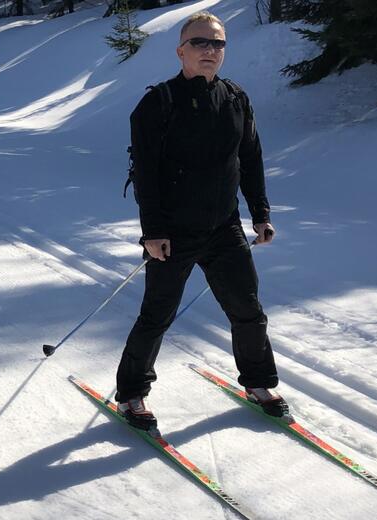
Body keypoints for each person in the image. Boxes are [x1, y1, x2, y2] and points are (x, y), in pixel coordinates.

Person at [117, 11, 284, 431]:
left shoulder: (235, 99)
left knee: (248, 310)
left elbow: (250, 159)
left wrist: (259, 213)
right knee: (157, 315)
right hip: (172, 232)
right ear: (181, 50)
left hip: (223, 227)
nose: (210, 50)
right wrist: (153, 232)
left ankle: (259, 382)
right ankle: (132, 392)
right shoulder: (158, 103)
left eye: (218, 43)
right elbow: (147, 176)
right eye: (200, 43)